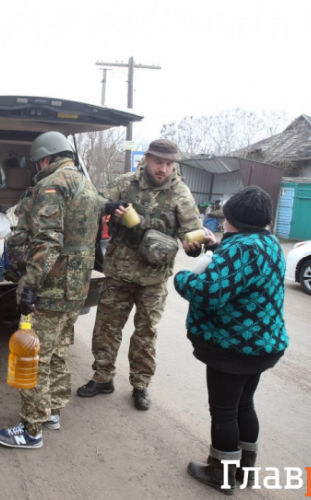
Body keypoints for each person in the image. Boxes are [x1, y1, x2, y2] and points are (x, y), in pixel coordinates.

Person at [78, 138, 216, 410]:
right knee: (106, 328)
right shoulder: (126, 182)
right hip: (118, 272)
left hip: (153, 279)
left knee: (145, 334)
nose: (163, 168)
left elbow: (192, 233)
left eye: (168, 163)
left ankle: (140, 385)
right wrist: (109, 207)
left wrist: (192, 246)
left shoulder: (180, 193)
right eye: (158, 162)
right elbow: (94, 199)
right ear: (147, 159)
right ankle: (103, 377)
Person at [174, 186, 288, 494]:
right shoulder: (269, 242)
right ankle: (244, 470)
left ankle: (220, 475)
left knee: (224, 411)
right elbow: (240, 266)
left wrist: (182, 279)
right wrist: (219, 246)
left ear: (232, 220)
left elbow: (208, 293)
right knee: (244, 405)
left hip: (234, 348)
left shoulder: (241, 249)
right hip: (263, 346)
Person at [0, 131, 103, 449]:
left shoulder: (52, 185)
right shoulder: (86, 184)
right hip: (76, 286)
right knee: (56, 352)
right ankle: (51, 411)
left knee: (35, 356)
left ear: (45, 157)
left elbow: (48, 239)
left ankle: (31, 429)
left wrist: (30, 284)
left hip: (51, 286)